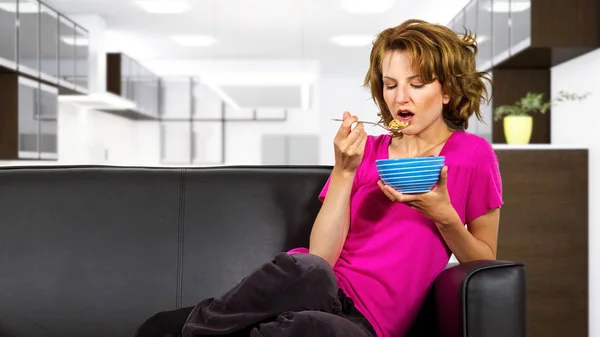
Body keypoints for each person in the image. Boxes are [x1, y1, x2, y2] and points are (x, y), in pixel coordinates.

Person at [135, 18, 502, 337]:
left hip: (367, 323)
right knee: (308, 268)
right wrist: (344, 170)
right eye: (390, 85)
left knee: (308, 329)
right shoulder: (366, 151)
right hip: (319, 287)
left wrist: (445, 216)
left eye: (417, 83)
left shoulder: (472, 155)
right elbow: (322, 256)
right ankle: (190, 328)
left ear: (448, 90)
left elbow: (486, 262)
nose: (400, 96)